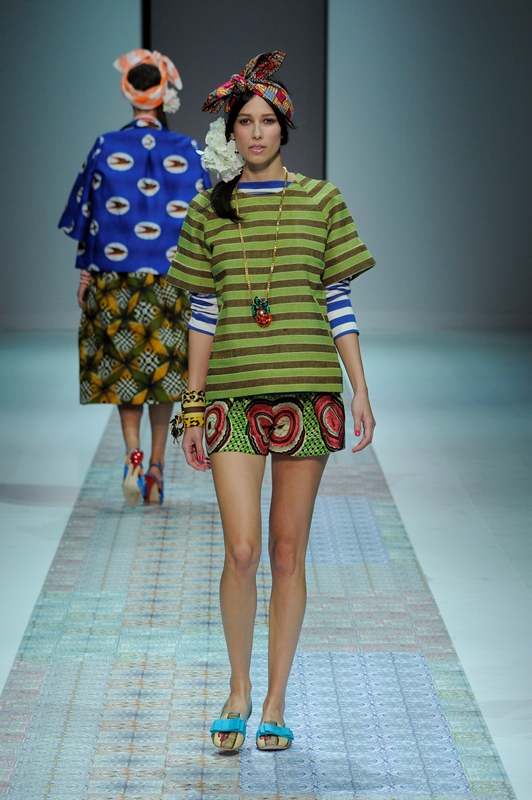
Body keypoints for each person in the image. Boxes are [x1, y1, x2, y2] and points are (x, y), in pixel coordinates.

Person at [166, 51, 376, 751]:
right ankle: (238, 686)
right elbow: (200, 313)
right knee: (242, 549)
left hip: (309, 391)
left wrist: (361, 388)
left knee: (287, 552)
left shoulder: (322, 201)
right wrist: (190, 407)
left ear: (285, 128)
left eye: (267, 121)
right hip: (230, 394)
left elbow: (338, 302)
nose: (256, 133)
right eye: (244, 122)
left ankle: (277, 700)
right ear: (230, 132)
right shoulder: (209, 209)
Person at [59, 49, 211, 507]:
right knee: (163, 376)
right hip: (170, 280)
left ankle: (133, 455)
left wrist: (85, 273)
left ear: (128, 94)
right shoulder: (188, 150)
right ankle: (158, 469)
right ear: (164, 95)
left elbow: (86, 216)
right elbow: (203, 223)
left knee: (127, 373)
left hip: (115, 279)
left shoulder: (105, 147)